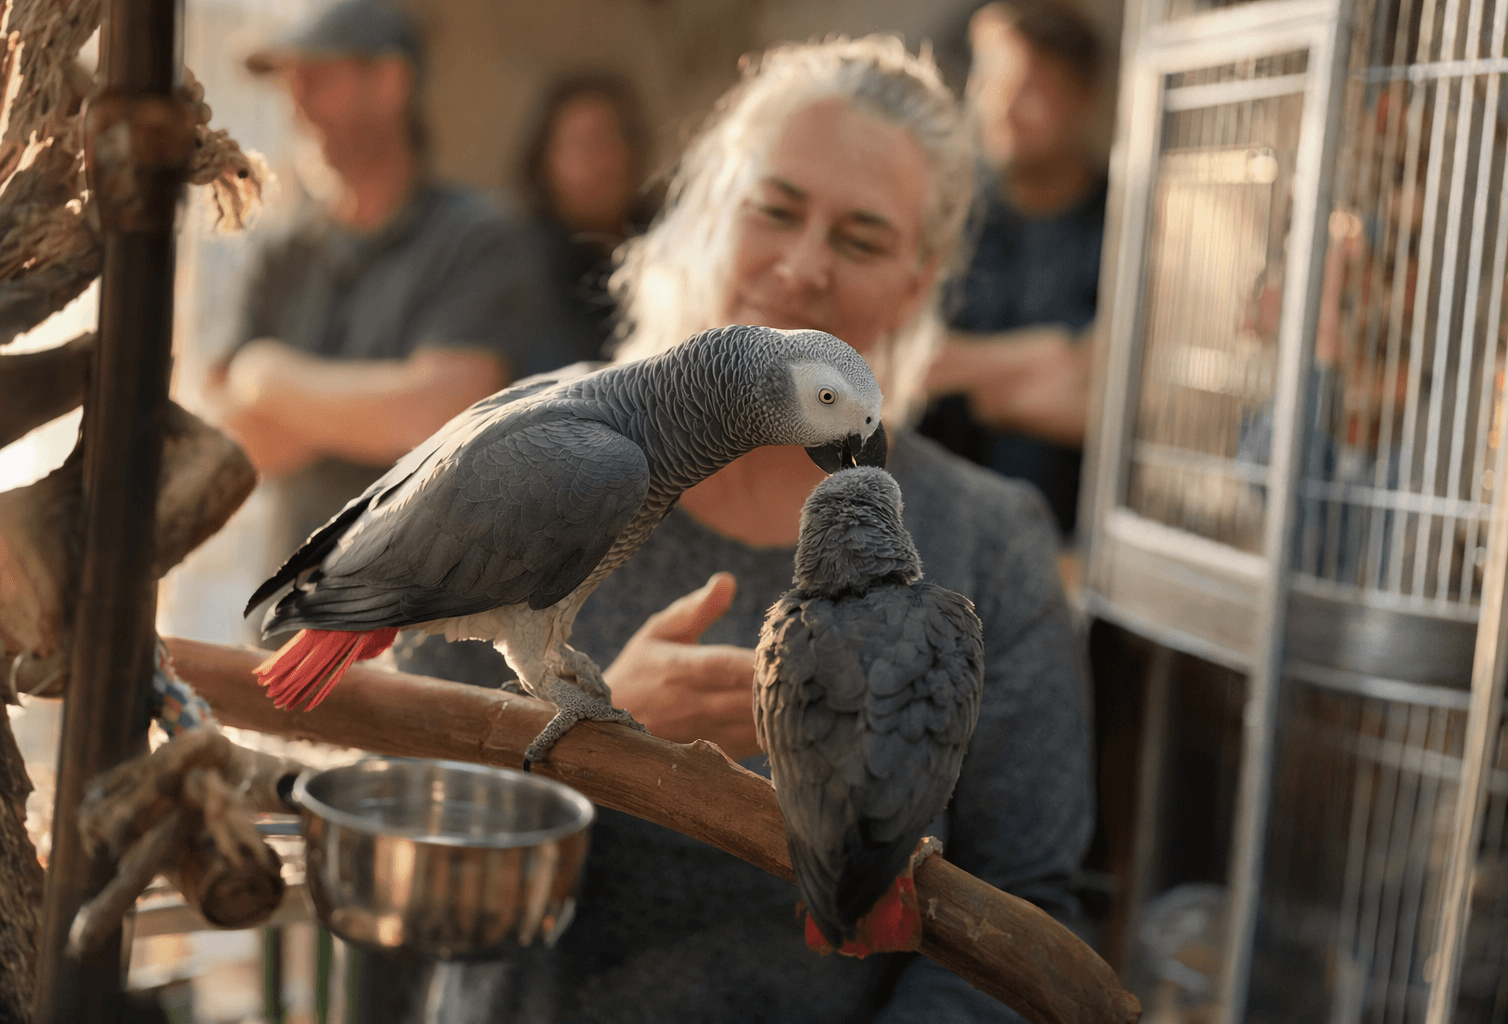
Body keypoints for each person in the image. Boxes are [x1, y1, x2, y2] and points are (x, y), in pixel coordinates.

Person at [395, 35, 1092, 1023]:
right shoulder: (521, 469)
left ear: (918, 277)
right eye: (773, 209)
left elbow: (1029, 914)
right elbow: (414, 856)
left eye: (859, 238)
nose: (803, 265)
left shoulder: (989, 545)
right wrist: (590, 748)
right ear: (706, 211)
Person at [207, 0, 561, 586]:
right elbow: (225, 444)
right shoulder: (280, 253)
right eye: (289, 83)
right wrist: (372, 414)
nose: (296, 106)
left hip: (425, 627)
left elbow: (436, 416)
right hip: (288, 616)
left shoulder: (481, 239)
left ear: (390, 82)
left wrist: (267, 377)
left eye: (317, 79)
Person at [919, 0, 1109, 537]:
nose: (1000, 107)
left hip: (1069, 542)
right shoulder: (948, 215)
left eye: (1027, 88)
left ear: (1082, 97)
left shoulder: (1125, 224)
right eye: (988, 83)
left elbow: (1110, 398)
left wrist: (962, 376)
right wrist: (1051, 359)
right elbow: (903, 362)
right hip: (934, 529)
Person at [509, 71, 658, 373]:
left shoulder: (667, 244)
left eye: (607, 141)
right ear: (545, 161)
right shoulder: (524, 266)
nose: (597, 164)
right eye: (579, 146)